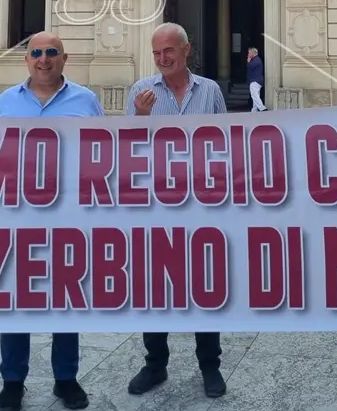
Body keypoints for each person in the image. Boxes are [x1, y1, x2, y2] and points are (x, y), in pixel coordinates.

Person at [0, 31, 103, 411]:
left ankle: (66, 379)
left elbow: (103, 154)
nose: (43, 59)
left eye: (51, 52)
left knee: (65, 300)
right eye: (36, 52)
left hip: (68, 217)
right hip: (17, 218)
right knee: (16, 300)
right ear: (26, 59)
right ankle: (12, 381)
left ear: (63, 58)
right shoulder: (5, 102)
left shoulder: (86, 101)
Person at [125, 22, 227, 399]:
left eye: (168, 51)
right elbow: (126, 151)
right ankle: (155, 364)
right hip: (156, 209)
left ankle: (210, 366)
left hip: (201, 206)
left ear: (187, 50)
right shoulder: (141, 92)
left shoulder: (211, 91)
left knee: (205, 287)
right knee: (157, 289)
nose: (162, 59)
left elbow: (224, 147)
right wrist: (138, 116)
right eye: (156, 53)